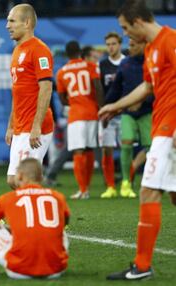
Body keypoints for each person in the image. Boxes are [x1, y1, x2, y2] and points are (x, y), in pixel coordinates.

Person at [99, 0, 176, 280]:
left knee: (148, 191)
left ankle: (142, 266)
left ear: (139, 22)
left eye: (125, 28)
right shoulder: (152, 49)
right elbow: (148, 86)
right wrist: (115, 105)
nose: (125, 35)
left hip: (171, 129)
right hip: (162, 127)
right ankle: (142, 266)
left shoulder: (170, 41)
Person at [0, 158, 69, 279]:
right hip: (55, 270)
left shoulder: (7, 198)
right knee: (61, 232)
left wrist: (9, 230)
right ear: (41, 177)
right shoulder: (58, 197)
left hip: (19, 270)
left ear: (19, 176)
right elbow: (64, 223)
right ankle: (54, 259)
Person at [5, 4, 54, 189]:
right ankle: (37, 212)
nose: (7, 25)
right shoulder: (17, 50)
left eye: (11, 21)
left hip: (35, 126)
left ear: (26, 22)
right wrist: (11, 124)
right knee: (13, 180)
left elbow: (46, 88)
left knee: (22, 179)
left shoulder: (39, 50)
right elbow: (18, 92)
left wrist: (36, 126)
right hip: (21, 126)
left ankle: (44, 211)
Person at [105, 38, 153, 198]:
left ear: (143, 45)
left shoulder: (151, 61)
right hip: (128, 113)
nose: (130, 48)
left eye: (133, 45)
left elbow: (157, 88)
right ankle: (126, 182)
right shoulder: (125, 64)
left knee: (151, 148)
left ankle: (151, 181)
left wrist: (142, 101)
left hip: (147, 111)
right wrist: (107, 106)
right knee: (126, 143)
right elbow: (116, 88)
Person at [56, 41, 104, 199]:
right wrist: (101, 109)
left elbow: (62, 98)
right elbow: (98, 88)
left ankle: (82, 190)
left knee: (78, 151)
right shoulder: (90, 66)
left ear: (67, 54)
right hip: (92, 113)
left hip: (76, 115)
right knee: (89, 149)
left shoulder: (62, 72)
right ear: (80, 52)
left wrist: (75, 102)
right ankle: (87, 188)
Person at [99, 32, 126, 198]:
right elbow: (99, 89)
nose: (111, 47)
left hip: (125, 112)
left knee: (126, 148)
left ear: (120, 44)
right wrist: (103, 109)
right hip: (108, 113)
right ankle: (110, 186)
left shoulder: (126, 63)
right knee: (107, 149)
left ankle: (126, 184)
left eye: (114, 43)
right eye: (108, 44)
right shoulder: (102, 65)